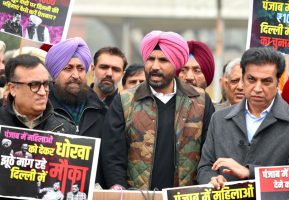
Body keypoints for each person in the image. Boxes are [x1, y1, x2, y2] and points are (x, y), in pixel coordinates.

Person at [102, 30, 214, 190]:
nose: (155, 66)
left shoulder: (200, 101)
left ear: (176, 64)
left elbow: (208, 154)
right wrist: (118, 188)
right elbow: (112, 156)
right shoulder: (125, 100)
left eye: (163, 60)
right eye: (150, 59)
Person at [197, 47, 289, 189]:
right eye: (251, 79)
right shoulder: (219, 119)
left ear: (277, 83)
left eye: (266, 81)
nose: (257, 88)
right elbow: (204, 167)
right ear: (243, 79)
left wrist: (249, 172)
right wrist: (212, 179)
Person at [45, 37, 106, 187]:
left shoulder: (102, 111)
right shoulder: (41, 109)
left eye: (80, 69)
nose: (76, 75)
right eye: (68, 68)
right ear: (54, 72)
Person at [0, 54, 75, 133]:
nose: (42, 92)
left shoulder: (65, 129)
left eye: (46, 84)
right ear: (13, 89)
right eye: (34, 85)